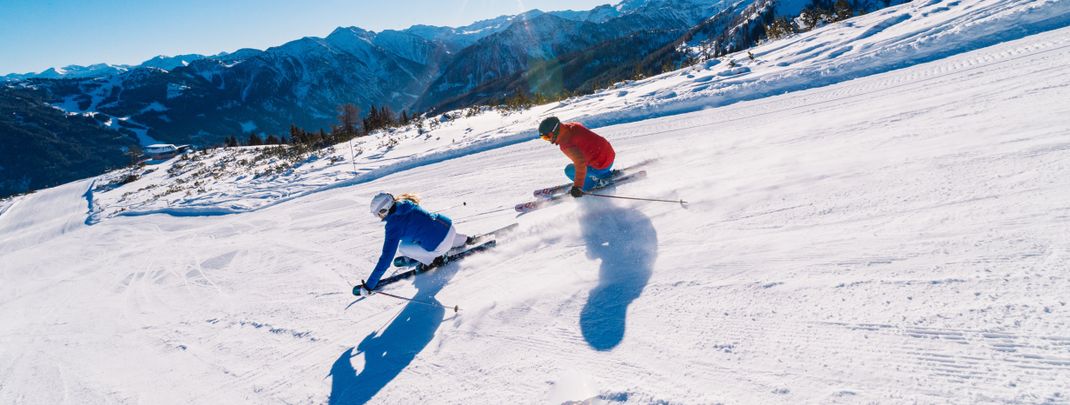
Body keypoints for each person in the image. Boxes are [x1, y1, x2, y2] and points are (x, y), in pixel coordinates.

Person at [354, 192, 469, 296]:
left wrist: (369, 285)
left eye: (378, 214)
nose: (378, 217)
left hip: (439, 246)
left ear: (385, 210)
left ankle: (433, 260)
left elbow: (386, 258)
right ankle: (464, 240)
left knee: (403, 247)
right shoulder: (405, 203)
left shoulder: (393, 226)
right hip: (449, 228)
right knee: (428, 230)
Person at [537, 117, 616, 198]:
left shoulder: (566, 144)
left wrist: (578, 187)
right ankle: (605, 175)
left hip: (600, 166)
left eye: (547, 137)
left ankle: (591, 185)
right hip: (610, 155)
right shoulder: (574, 125)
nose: (549, 140)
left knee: (569, 170)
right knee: (590, 156)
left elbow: (580, 164)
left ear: (554, 131)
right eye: (544, 138)